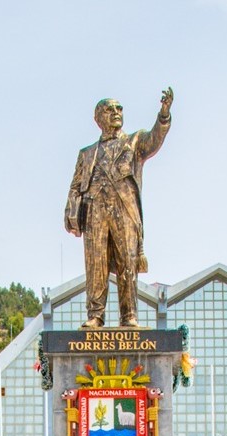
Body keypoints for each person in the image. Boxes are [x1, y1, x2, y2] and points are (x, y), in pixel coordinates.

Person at [63, 88, 173, 328]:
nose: (116, 113)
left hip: (124, 210)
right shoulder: (87, 153)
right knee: (96, 265)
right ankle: (95, 314)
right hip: (95, 212)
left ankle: (129, 315)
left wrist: (163, 115)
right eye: (109, 109)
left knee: (127, 263)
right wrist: (71, 212)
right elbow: (76, 185)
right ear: (97, 118)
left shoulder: (134, 142)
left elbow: (155, 139)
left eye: (119, 109)